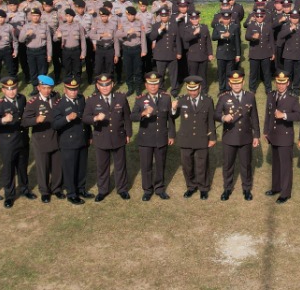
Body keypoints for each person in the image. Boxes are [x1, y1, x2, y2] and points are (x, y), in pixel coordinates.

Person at [83, 74, 133, 202]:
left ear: (112, 84)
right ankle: (103, 190)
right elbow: (85, 118)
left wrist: (128, 133)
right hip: (101, 138)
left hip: (118, 136)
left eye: (107, 84)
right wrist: (95, 118)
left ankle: (122, 189)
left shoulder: (121, 98)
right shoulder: (91, 100)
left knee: (120, 165)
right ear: (98, 86)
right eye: (102, 85)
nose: (105, 88)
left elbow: (127, 116)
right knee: (102, 166)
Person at [215, 71, 259, 200]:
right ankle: (227, 189)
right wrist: (223, 117)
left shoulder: (250, 97)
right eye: (234, 83)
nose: (236, 86)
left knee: (246, 165)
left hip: (245, 137)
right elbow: (216, 114)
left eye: (239, 83)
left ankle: (246, 189)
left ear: (243, 82)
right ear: (229, 83)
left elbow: (254, 117)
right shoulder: (223, 97)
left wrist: (256, 135)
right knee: (228, 165)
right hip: (230, 137)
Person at [132, 73, 175, 201]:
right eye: (150, 84)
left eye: (155, 84)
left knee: (160, 164)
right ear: (146, 85)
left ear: (159, 85)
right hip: (145, 138)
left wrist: (171, 134)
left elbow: (170, 118)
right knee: (146, 166)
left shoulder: (166, 98)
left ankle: (160, 188)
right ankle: (147, 190)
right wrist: (143, 113)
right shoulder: (140, 100)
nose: (153, 87)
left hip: (161, 137)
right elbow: (132, 117)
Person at [0, 79, 34, 207]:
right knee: (9, 168)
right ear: (3, 90)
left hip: (22, 138)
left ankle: (24, 189)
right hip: (8, 141)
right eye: (8, 89)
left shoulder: (21, 99)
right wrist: (3, 120)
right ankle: (9, 195)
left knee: (22, 166)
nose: (12, 91)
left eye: (14, 88)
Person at [174, 77, 217, 199]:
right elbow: (174, 116)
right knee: (187, 164)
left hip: (202, 137)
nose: (192, 93)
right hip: (186, 139)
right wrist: (173, 108)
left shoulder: (207, 101)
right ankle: (191, 186)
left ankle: (203, 188)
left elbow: (211, 120)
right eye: (190, 90)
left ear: (200, 88)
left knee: (202, 164)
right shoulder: (182, 100)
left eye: (195, 90)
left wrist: (213, 138)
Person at [263, 72, 300, 202]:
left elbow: (299, 116)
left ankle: (285, 193)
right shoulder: (271, 95)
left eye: (283, 83)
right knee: (276, 164)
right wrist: (266, 131)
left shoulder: (292, 98)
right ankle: (276, 187)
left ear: (288, 83)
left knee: (285, 166)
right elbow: (268, 115)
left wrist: (284, 115)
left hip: (285, 137)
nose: (280, 85)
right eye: (278, 83)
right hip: (273, 135)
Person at [52, 76, 91, 204]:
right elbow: (55, 124)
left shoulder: (81, 99)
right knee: (70, 169)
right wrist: (67, 118)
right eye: (70, 89)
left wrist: (89, 136)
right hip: (68, 142)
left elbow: (85, 120)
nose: (74, 92)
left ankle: (81, 189)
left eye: (75, 89)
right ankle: (71, 193)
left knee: (81, 167)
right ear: (65, 90)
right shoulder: (60, 104)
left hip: (82, 139)